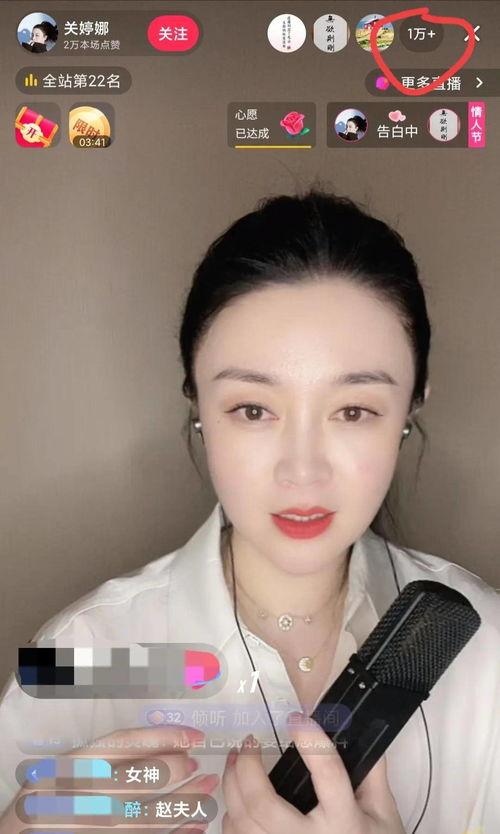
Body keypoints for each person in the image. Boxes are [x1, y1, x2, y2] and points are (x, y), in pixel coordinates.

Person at [0, 186, 499, 834]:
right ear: (198, 405)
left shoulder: (488, 650)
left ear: (410, 406)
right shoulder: (76, 657)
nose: (302, 471)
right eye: (253, 409)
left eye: (354, 411)